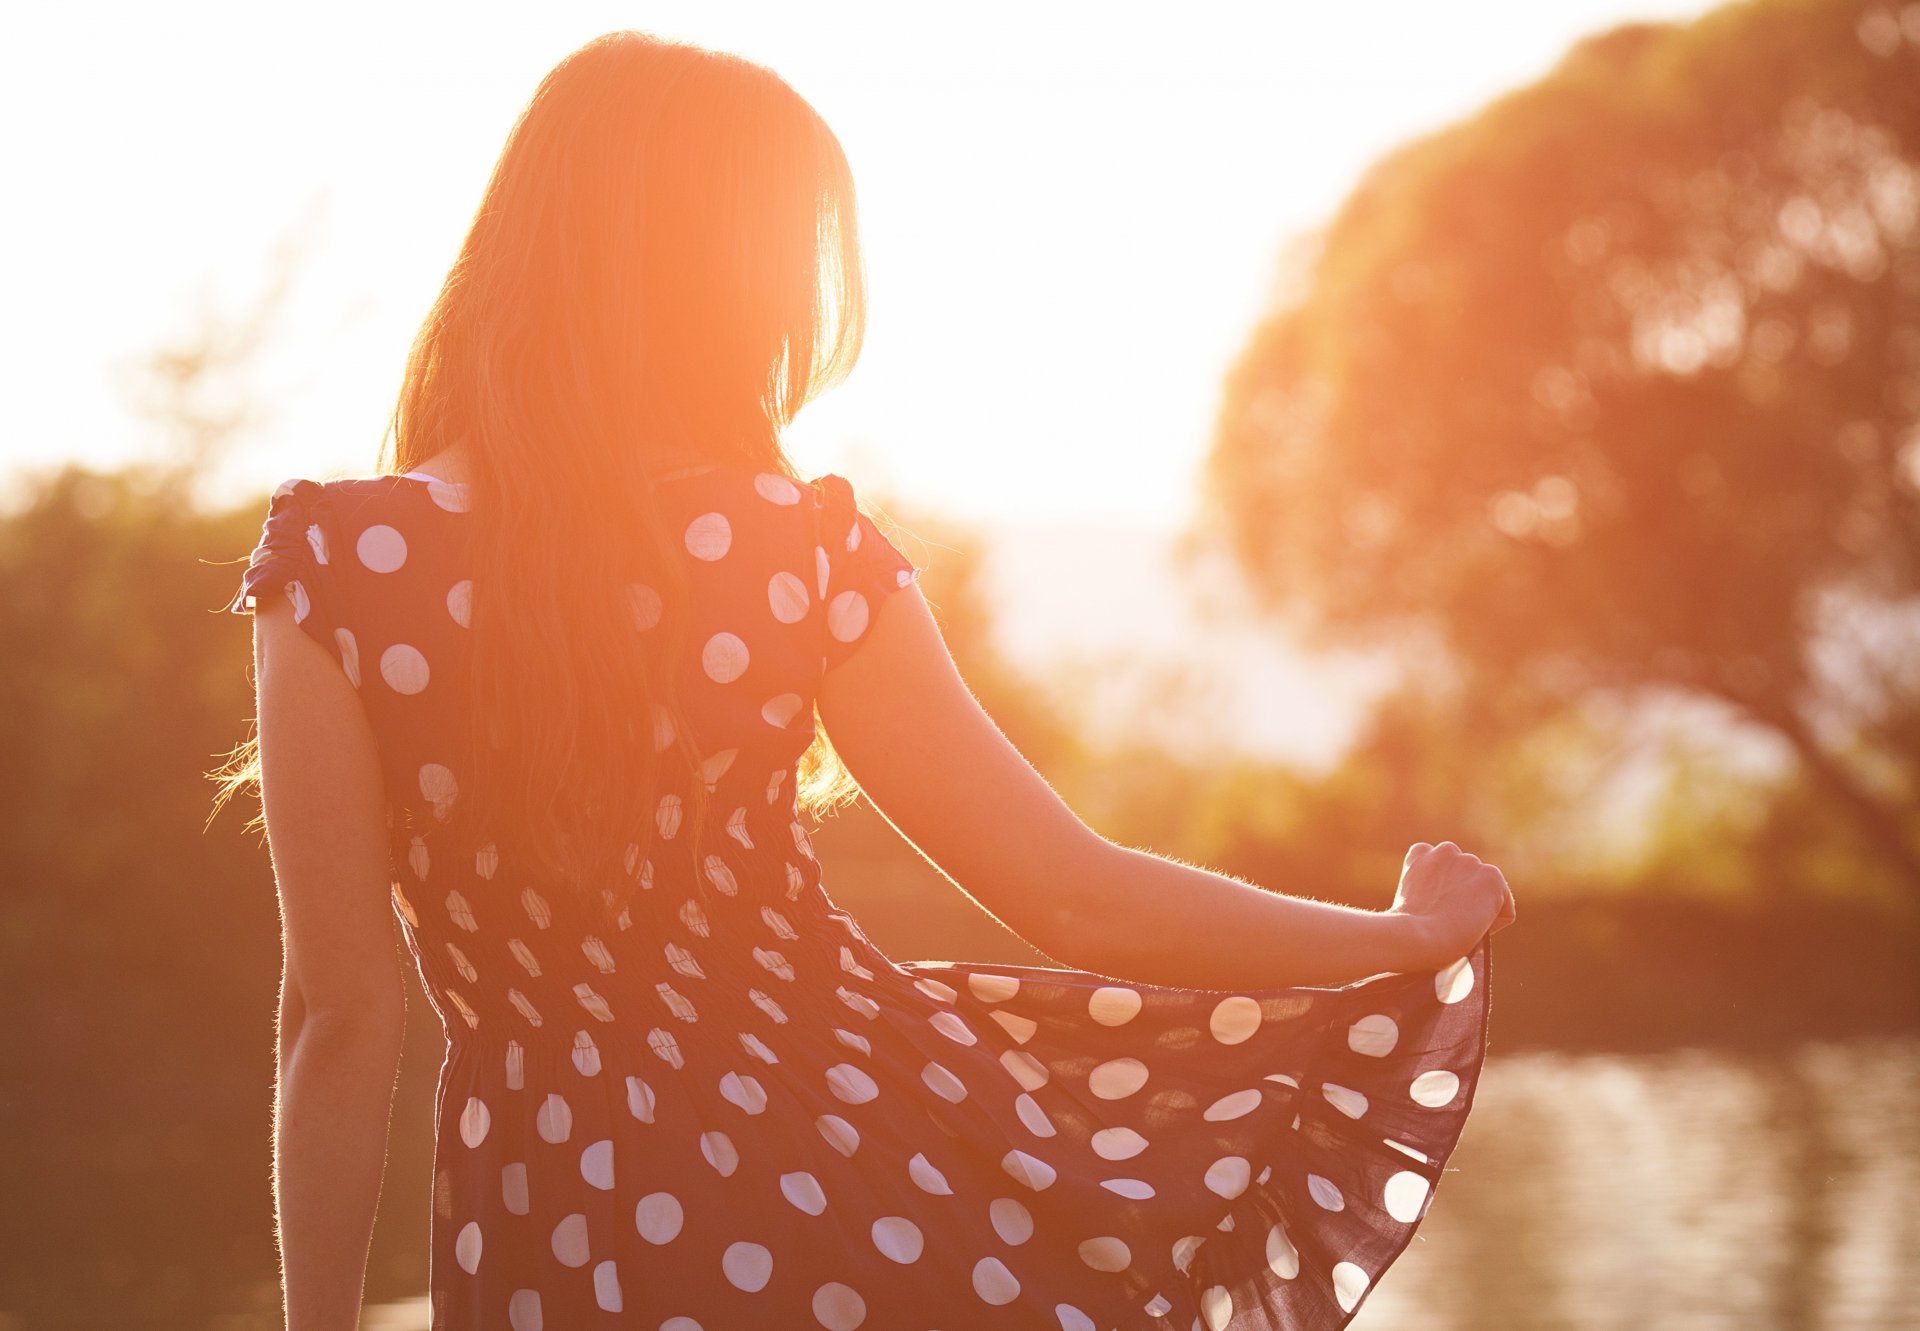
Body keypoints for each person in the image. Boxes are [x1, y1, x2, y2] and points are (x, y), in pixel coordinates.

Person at [222, 29, 1515, 1331]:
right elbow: (1080, 901)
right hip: (875, 1185)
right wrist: (1397, 942)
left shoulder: (339, 564)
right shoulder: (799, 546)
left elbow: (340, 1018)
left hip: (556, 1218)